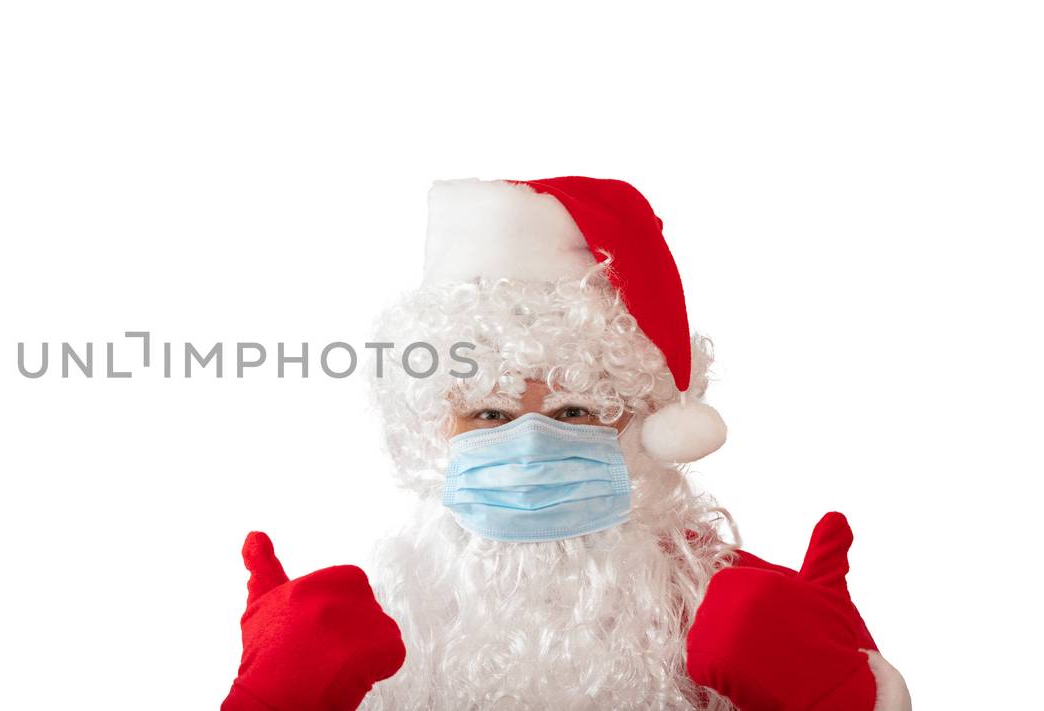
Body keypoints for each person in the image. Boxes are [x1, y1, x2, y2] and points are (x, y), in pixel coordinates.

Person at [220, 178, 912, 711]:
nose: (526, 452)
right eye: (489, 413)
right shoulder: (380, 616)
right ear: (432, 427)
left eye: (575, 409)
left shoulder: (726, 600)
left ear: (644, 428)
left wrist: (835, 691)